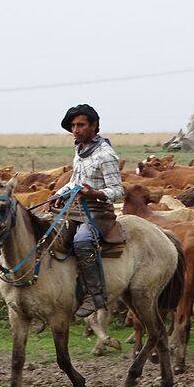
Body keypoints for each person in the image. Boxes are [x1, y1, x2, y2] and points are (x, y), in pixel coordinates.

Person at [48, 104, 124, 318]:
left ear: (94, 126)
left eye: (80, 125)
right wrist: (56, 195)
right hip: (76, 209)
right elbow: (74, 181)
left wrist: (95, 194)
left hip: (98, 213)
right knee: (46, 230)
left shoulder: (106, 155)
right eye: (72, 125)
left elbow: (118, 191)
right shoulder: (80, 150)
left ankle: (95, 295)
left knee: (82, 240)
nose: (75, 129)